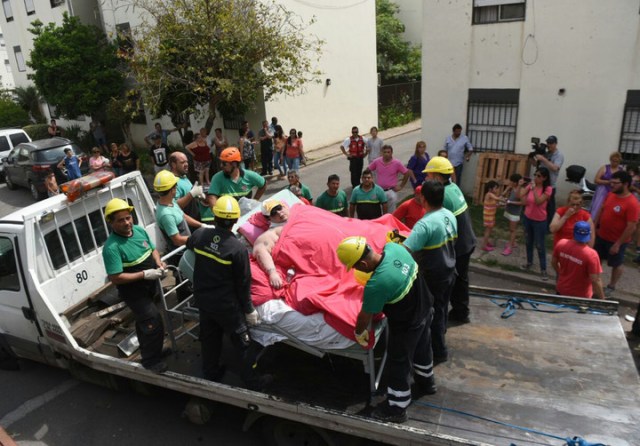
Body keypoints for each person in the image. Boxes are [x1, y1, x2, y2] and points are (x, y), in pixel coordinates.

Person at [336, 236, 436, 423]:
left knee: (398, 363)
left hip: (407, 324)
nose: (356, 270)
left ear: (364, 263)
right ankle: (427, 383)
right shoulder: (395, 249)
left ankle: (397, 408)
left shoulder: (376, 284)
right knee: (423, 348)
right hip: (425, 309)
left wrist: (359, 332)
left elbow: (366, 316)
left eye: (356, 266)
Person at [186, 196, 270, 389]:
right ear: (234, 221)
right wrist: (249, 310)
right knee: (244, 344)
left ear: (214, 217)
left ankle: (211, 373)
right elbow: (243, 283)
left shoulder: (200, 235)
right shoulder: (237, 249)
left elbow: (189, 244)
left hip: (204, 301)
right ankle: (252, 380)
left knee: (209, 339)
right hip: (226, 307)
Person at [102, 198, 169, 373]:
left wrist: (159, 262)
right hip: (134, 293)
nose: (127, 223)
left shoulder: (139, 231)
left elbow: (152, 250)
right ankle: (151, 361)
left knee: (145, 323)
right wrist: (144, 274)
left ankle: (155, 350)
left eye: (128, 217)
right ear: (111, 222)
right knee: (152, 321)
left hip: (149, 287)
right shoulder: (112, 247)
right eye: (121, 220)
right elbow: (116, 277)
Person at [404, 180, 457, 364]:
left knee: (428, 315)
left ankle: (436, 352)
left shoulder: (424, 224)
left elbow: (405, 251)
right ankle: (440, 343)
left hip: (432, 276)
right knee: (441, 310)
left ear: (423, 198)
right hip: (450, 271)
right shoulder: (449, 215)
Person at [423, 156, 477, 324]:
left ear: (438, 177)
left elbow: (437, 223)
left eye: (429, 175)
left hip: (459, 245)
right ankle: (461, 311)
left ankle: (459, 314)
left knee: (454, 281)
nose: (426, 178)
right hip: (467, 241)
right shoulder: (453, 187)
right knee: (461, 279)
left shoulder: (443, 196)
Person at [593, 170, 640, 297]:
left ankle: (611, 286)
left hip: (617, 241)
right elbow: (601, 210)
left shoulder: (632, 203)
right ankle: (595, 282)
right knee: (596, 260)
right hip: (601, 236)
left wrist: (618, 244)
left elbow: (631, 226)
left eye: (615, 183)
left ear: (625, 184)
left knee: (616, 264)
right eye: (611, 182)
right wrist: (595, 226)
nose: (611, 185)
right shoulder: (610, 195)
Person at [552, 221, 604, 299]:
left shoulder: (561, 244)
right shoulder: (591, 254)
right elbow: (595, 280)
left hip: (561, 290)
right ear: (588, 234)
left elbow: (553, 262)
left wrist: (561, 273)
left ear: (574, 232)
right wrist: (602, 299)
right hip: (581, 297)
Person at [153, 170, 203, 252]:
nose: (176, 187)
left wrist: (201, 225)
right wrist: (198, 238)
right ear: (172, 190)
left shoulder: (170, 202)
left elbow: (182, 215)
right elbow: (177, 240)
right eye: (176, 186)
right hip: (181, 253)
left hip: (187, 245)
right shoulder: (166, 215)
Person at [520, 167, 552, 280]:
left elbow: (539, 202)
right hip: (528, 218)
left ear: (544, 178)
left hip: (539, 221)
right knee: (528, 241)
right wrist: (522, 185)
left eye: (539, 176)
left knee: (540, 245)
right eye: (535, 174)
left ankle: (543, 269)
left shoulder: (547, 189)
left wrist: (533, 190)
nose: (536, 177)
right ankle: (529, 262)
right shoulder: (531, 185)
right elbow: (521, 195)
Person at [529, 135, 564, 229]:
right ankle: (538, 222)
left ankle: (549, 226)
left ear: (556, 143)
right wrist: (532, 157)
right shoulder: (546, 153)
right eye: (548, 143)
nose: (549, 145)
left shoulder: (559, 155)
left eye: (551, 143)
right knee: (539, 205)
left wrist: (543, 159)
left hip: (550, 185)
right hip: (540, 184)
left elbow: (555, 168)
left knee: (549, 207)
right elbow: (534, 164)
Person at [368, 145, 414, 213]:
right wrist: (370, 183)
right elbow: (368, 170)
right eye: (385, 152)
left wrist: (401, 186)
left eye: (388, 152)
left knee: (391, 213)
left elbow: (406, 173)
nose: (386, 154)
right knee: (377, 211)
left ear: (392, 153)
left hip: (391, 191)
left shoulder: (396, 163)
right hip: (379, 190)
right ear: (382, 153)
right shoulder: (377, 161)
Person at [168, 152, 204, 220]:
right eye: (182, 162)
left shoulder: (183, 176)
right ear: (173, 165)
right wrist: (191, 194)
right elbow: (175, 205)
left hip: (196, 218)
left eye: (186, 162)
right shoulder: (172, 182)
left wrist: (200, 196)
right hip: (188, 222)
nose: (186, 164)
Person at [590, 151, 624, 218]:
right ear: (610, 160)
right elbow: (596, 180)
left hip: (614, 192)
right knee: (598, 207)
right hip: (602, 191)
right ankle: (593, 221)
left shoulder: (621, 171)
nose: (614, 163)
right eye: (613, 161)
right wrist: (608, 182)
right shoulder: (604, 168)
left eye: (616, 161)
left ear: (619, 162)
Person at [501, 173, 525, 256]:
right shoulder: (512, 187)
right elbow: (504, 193)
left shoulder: (521, 190)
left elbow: (523, 202)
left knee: (513, 230)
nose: (510, 182)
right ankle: (513, 242)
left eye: (511, 181)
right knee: (510, 228)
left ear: (515, 182)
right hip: (509, 210)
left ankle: (509, 247)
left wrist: (511, 202)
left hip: (515, 213)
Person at [480, 180, 505, 252]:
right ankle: (484, 246)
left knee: (489, 230)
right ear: (490, 189)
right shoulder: (489, 194)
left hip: (491, 215)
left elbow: (493, 204)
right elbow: (497, 199)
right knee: (488, 230)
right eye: (496, 188)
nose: (497, 190)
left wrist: (499, 205)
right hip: (488, 216)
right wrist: (505, 200)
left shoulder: (492, 195)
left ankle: (486, 242)